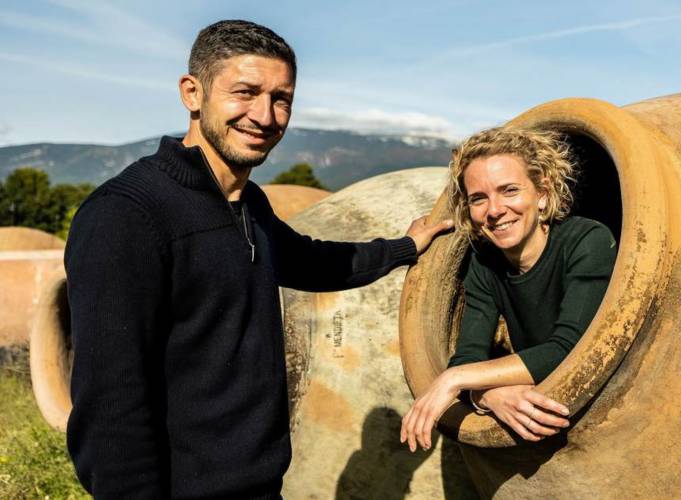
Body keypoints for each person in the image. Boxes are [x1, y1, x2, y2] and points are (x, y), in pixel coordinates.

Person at [65, 20, 451, 498]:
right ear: (193, 93)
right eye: (245, 92)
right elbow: (110, 405)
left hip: (260, 485)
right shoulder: (126, 214)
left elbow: (312, 261)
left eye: (281, 98)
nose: (265, 116)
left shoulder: (248, 205)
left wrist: (404, 248)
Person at [400, 127, 617, 452]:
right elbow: (469, 354)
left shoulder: (588, 242)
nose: (495, 210)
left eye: (509, 190)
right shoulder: (485, 262)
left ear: (542, 194)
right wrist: (489, 395)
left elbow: (568, 350)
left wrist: (454, 380)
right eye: (479, 198)